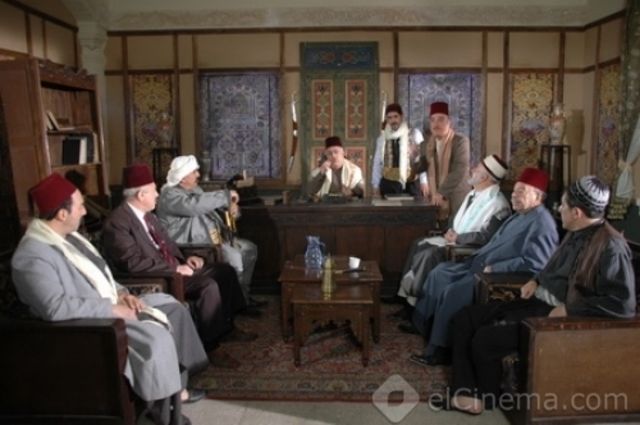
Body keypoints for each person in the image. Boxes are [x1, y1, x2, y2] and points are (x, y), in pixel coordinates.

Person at [11, 173, 207, 425]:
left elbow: (103, 275)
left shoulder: (71, 239)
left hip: (111, 302)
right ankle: (163, 412)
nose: (85, 211)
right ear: (62, 214)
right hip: (91, 325)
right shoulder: (32, 255)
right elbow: (54, 307)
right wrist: (112, 309)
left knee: (174, 308)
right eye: (80, 206)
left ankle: (176, 390)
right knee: (156, 338)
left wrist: (123, 294)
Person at [446, 176, 636, 415]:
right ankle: (464, 391)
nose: (558, 208)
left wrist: (570, 310)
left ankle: (487, 397)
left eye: (563, 205)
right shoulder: (575, 230)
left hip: (557, 317)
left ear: (577, 212)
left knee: (485, 339)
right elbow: (552, 266)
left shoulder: (611, 247)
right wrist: (536, 280)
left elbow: (622, 304)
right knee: (464, 318)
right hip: (537, 300)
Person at [407, 168, 559, 367]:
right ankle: (425, 327)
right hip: (479, 262)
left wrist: (496, 268)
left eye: (521, 191)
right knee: (439, 273)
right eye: (514, 191)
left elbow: (536, 263)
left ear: (538, 196)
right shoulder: (520, 214)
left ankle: (441, 349)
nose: (514, 195)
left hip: (494, 275)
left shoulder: (542, 222)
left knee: (452, 292)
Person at [102, 164, 254, 360]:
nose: (158, 195)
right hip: (160, 276)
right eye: (154, 191)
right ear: (141, 195)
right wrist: (174, 268)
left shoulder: (148, 216)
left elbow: (168, 243)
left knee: (225, 271)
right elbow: (132, 264)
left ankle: (227, 327)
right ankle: (211, 346)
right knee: (208, 286)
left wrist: (186, 258)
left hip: (172, 267)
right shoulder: (118, 222)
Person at [396, 154, 511, 310]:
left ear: (484, 177)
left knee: (429, 255)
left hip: (467, 250)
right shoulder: (473, 194)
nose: (472, 170)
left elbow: (486, 237)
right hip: (454, 240)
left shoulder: (498, 204)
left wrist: (458, 238)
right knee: (418, 244)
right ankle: (404, 297)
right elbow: (459, 220)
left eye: (477, 168)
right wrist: (450, 230)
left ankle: (415, 304)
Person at [155, 155, 262, 310]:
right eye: (194, 172)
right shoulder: (169, 195)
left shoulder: (195, 190)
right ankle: (235, 304)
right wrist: (225, 196)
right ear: (183, 177)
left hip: (215, 238)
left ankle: (243, 297)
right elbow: (194, 206)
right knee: (235, 258)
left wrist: (231, 207)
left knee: (249, 249)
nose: (198, 175)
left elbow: (211, 207)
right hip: (192, 245)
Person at [417, 101, 471, 218]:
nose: (436, 124)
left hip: (455, 198)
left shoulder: (460, 141)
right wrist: (413, 156)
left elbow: (460, 170)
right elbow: (421, 168)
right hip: (434, 199)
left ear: (449, 122)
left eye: (441, 119)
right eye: (433, 120)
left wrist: (441, 192)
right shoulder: (425, 145)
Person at [371, 103, 425, 197]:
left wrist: (424, 182)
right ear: (387, 119)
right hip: (389, 184)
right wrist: (376, 185)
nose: (393, 120)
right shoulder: (382, 139)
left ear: (401, 116)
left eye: (395, 116)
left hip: (411, 183)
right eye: (390, 117)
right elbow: (377, 163)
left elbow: (422, 160)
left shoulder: (415, 134)